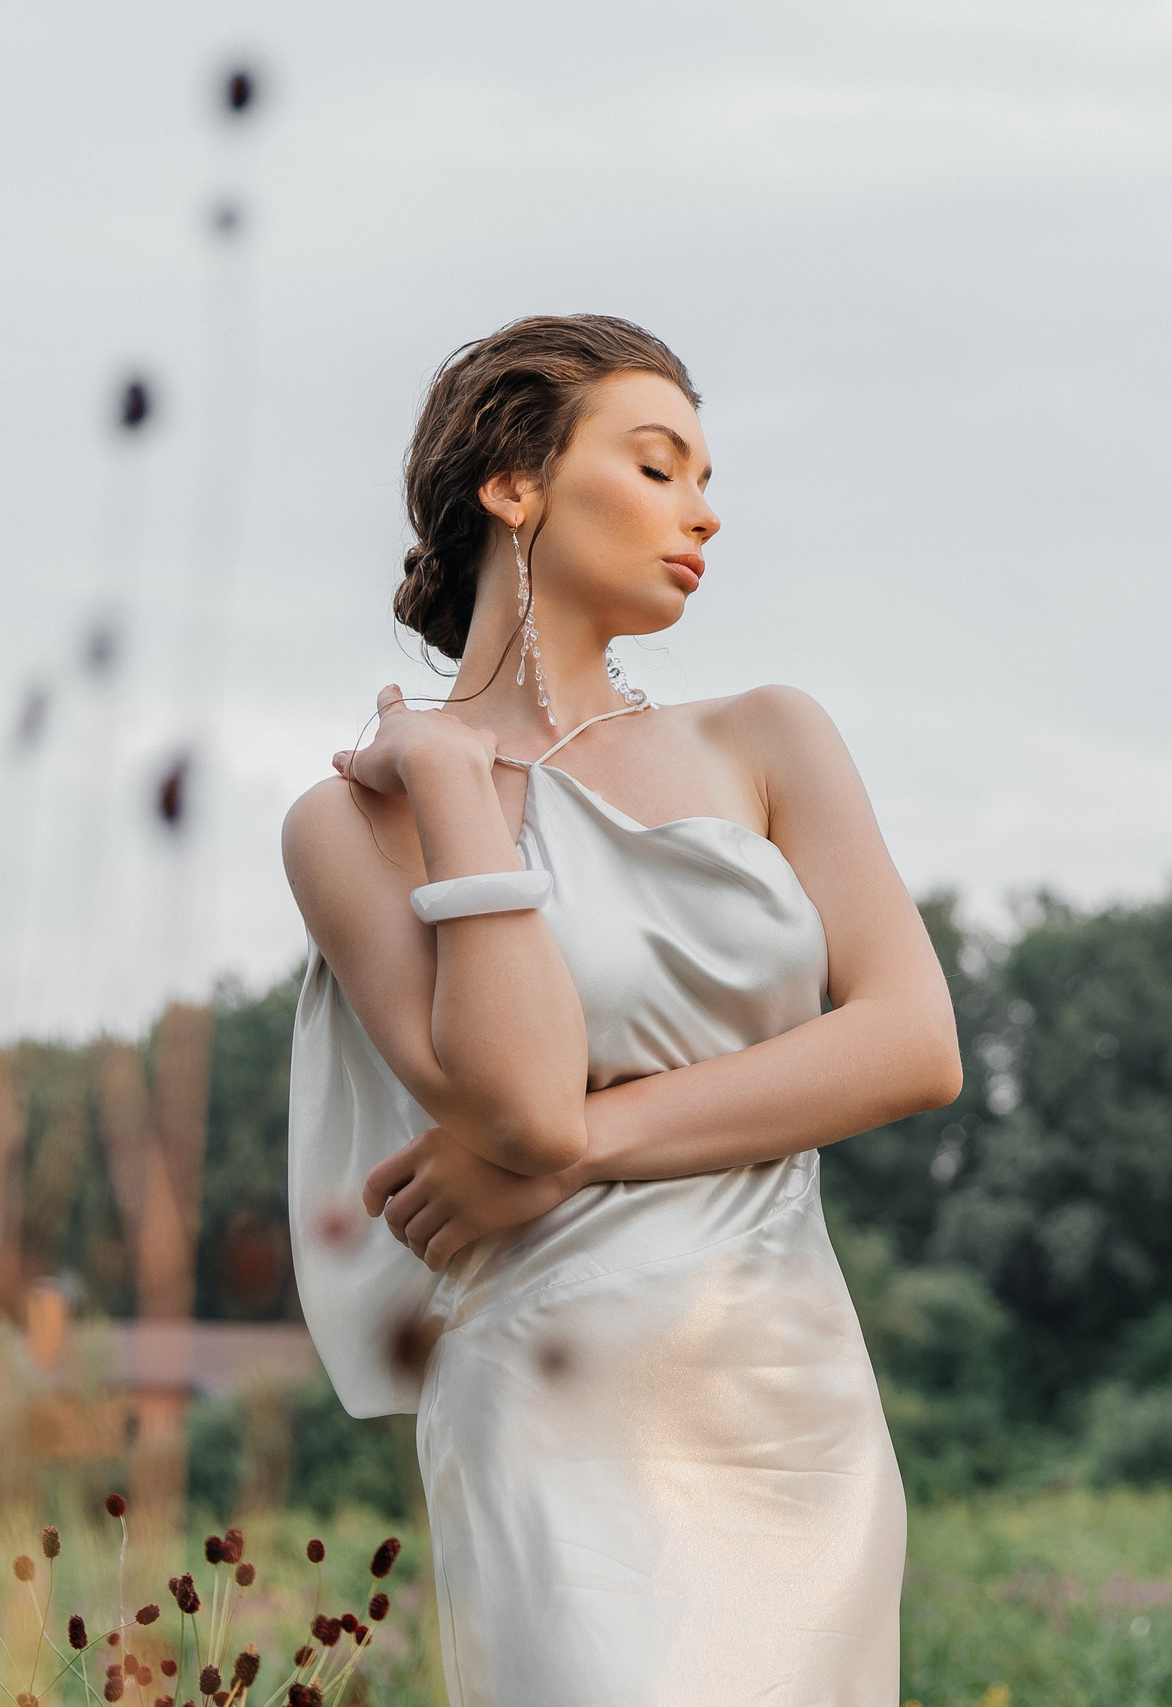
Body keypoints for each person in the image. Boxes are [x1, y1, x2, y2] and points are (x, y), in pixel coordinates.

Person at [281, 314, 962, 1705]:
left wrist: (584, 1147)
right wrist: (460, 787)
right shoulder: (356, 825)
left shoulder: (765, 738)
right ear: (513, 483)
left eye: (706, 477)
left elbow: (910, 1043)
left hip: (787, 1404)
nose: (704, 511)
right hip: (553, 1402)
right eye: (658, 465)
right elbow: (521, 1103)